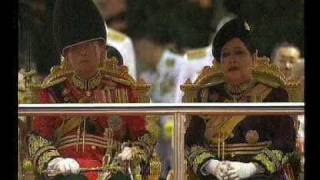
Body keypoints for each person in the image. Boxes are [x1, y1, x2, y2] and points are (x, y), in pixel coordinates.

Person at [27, 0, 153, 179]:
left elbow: (143, 136)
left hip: (111, 169)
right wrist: (54, 161)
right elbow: (38, 138)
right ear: (66, 56)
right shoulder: (54, 91)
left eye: (88, 46)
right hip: (68, 170)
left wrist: (133, 152)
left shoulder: (124, 89)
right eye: (76, 49)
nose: (83, 53)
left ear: (102, 49)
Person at [185, 17, 297, 180]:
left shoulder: (274, 94)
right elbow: (191, 143)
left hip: (261, 175)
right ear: (219, 63)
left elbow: (285, 143)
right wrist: (212, 166)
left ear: (253, 58)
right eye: (226, 55)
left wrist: (252, 168)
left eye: (239, 52)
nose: (232, 60)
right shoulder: (206, 95)